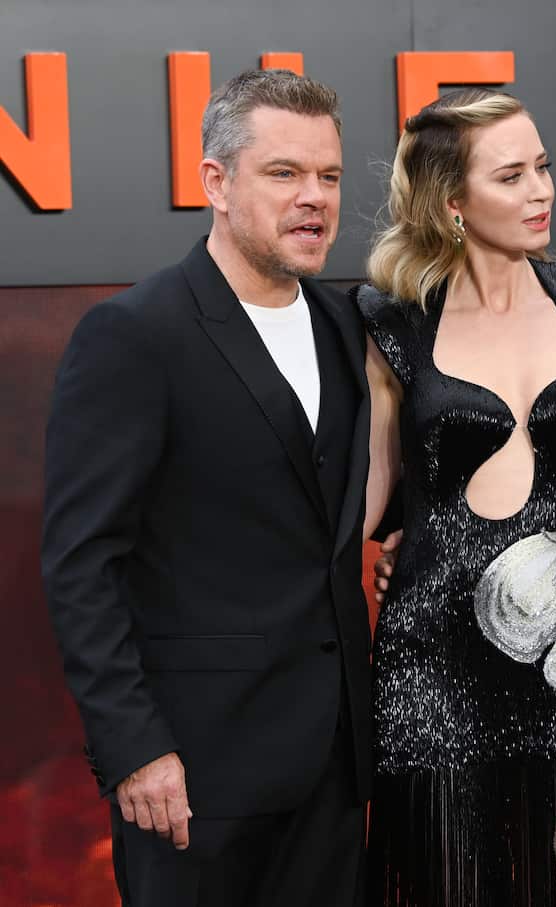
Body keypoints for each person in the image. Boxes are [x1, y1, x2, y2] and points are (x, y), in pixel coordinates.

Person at [41, 69, 371, 906]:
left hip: (333, 767)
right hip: (193, 779)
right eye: (285, 173)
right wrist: (134, 746)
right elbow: (82, 566)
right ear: (215, 183)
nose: (314, 198)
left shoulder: (344, 322)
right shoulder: (134, 336)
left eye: (329, 176)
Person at [354, 88, 556, 906]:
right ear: (453, 202)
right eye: (512, 176)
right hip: (429, 661)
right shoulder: (395, 320)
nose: (541, 190)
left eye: (543, 167)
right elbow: (365, 502)